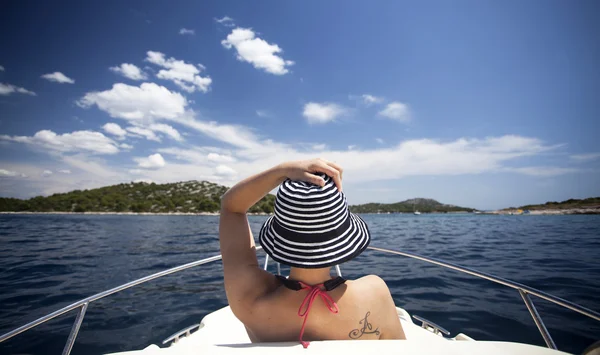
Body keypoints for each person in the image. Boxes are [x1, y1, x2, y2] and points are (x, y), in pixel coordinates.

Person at [219, 158, 406, 348]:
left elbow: (231, 207)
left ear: (281, 235)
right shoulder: (375, 293)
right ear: (343, 237)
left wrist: (282, 170)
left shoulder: (249, 297)